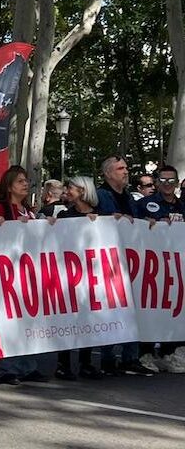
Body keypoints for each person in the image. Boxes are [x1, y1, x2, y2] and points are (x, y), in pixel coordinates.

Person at [0, 166, 49, 385]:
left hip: (29, 273)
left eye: (26, 181)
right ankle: (6, 368)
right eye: (21, 181)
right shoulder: (0, 209)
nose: (25, 184)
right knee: (9, 322)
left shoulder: (28, 210)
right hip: (8, 273)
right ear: (10, 185)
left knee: (29, 321)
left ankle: (27, 366)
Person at [95, 156, 154, 377]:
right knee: (112, 307)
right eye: (121, 168)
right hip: (110, 261)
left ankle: (131, 357)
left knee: (133, 307)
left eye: (126, 168)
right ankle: (108, 358)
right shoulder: (101, 195)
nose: (125, 171)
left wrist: (147, 223)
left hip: (130, 260)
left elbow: (136, 221)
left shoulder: (129, 197)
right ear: (109, 173)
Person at [133, 165, 185, 373]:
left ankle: (169, 353)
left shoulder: (183, 205)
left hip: (178, 268)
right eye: (163, 180)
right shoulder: (145, 204)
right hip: (152, 267)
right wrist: (145, 225)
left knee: (175, 308)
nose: (167, 184)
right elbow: (132, 228)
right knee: (150, 308)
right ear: (156, 182)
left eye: (171, 180)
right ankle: (144, 353)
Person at [52, 176, 103, 381]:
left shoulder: (100, 217)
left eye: (70, 187)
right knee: (67, 318)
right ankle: (63, 364)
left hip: (91, 274)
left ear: (82, 191)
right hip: (68, 275)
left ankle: (85, 362)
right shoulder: (65, 216)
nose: (67, 190)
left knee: (88, 319)